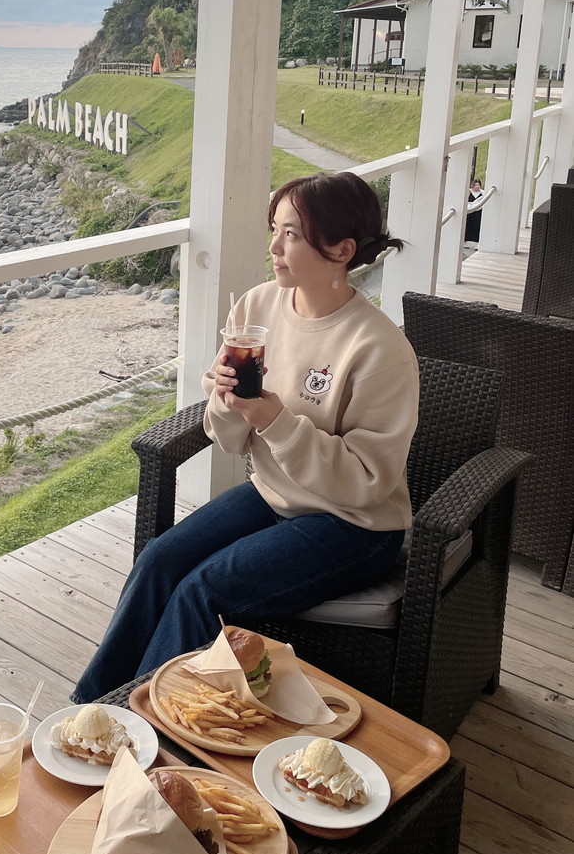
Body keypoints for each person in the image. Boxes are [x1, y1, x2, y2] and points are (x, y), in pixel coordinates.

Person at [72, 172, 418, 702]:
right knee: (160, 561)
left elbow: (368, 482)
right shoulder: (258, 307)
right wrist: (228, 400)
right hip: (275, 495)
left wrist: (275, 420)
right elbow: (228, 438)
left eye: (292, 235)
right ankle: (91, 712)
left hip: (353, 525)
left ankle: (145, 725)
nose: (274, 248)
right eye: (274, 230)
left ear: (342, 250)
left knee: (202, 591)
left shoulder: (379, 349)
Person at [465, 179, 484, 243]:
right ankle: (466, 240)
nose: (477, 186)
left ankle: (476, 241)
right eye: (475, 185)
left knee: (477, 226)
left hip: (478, 212)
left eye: (478, 185)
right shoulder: (468, 192)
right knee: (467, 226)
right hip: (469, 212)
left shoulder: (482, 193)